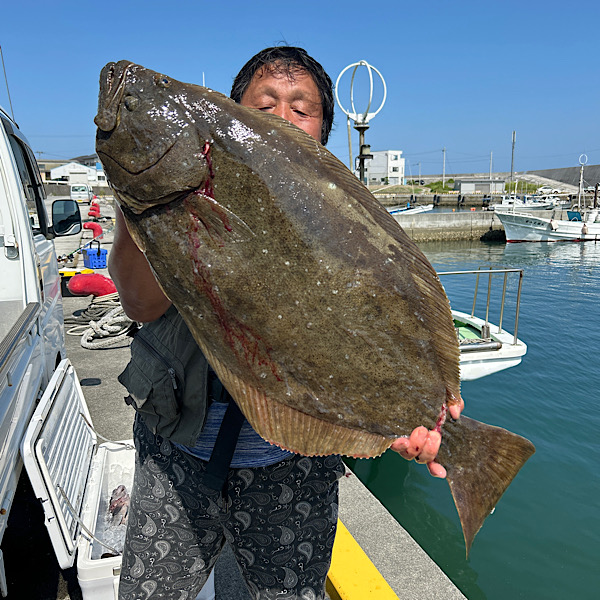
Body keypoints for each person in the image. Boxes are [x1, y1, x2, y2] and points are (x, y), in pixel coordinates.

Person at [109, 46, 463, 600]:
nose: (281, 117)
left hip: (292, 468)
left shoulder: (344, 221)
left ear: (323, 132)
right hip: (178, 452)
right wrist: (144, 207)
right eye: (263, 105)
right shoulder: (191, 192)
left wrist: (401, 415)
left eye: (301, 109)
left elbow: (375, 326)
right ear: (230, 117)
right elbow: (140, 305)